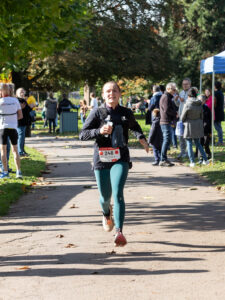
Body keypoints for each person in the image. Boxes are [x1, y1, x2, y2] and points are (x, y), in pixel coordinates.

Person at [80, 81, 149, 247]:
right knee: (105, 197)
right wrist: (99, 131)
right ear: (103, 95)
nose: (112, 94)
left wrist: (142, 139)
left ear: (120, 94)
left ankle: (119, 231)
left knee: (118, 192)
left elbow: (135, 126)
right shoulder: (98, 112)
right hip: (102, 159)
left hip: (120, 157)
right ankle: (106, 213)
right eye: (108, 91)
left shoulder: (125, 112)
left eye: (115, 91)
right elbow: (82, 134)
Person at [181, 88, 209, 167]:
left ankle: (192, 162)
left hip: (189, 124)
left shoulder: (187, 104)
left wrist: (184, 121)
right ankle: (206, 160)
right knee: (198, 143)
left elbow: (182, 117)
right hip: (198, 124)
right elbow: (202, 116)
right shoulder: (199, 103)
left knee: (189, 143)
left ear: (188, 95)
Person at [0, 83, 23, 178]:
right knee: (15, 150)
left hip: (2, 128)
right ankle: (18, 172)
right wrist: (13, 119)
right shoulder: (15, 100)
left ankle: (5, 172)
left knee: (3, 151)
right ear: (9, 90)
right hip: (13, 128)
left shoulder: (0, 101)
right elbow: (20, 116)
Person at [159, 82, 177, 166]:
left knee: (167, 140)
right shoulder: (166, 97)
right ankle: (163, 159)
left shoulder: (168, 97)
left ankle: (163, 158)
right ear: (168, 89)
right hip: (165, 121)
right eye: (173, 89)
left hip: (166, 121)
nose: (175, 91)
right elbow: (167, 110)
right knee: (166, 140)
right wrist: (175, 113)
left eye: (175, 89)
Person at [174, 78, 191, 158]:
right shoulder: (181, 92)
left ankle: (188, 152)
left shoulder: (192, 92)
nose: (184, 86)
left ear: (189, 84)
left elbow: (192, 104)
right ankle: (182, 152)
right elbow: (178, 105)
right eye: (183, 84)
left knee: (187, 136)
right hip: (181, 118)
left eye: (186, 84)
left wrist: (184, 101)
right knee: (180, 136)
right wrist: (176, 100)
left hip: (188, 118)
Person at [16, 88, 32, 156]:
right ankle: (20, 152)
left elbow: (28, 109)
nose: (22, 93)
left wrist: (30, 107)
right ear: (17, 93)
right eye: (20, 92)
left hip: (24, 121)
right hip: (20, 121)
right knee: (20, 136)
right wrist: (21, 108)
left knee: (22, 137)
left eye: (23, 91)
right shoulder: (17, 100)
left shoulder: (23, 100)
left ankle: (22, 150)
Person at [196, 94, 211, 161]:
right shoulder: (196, 108)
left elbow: (209, 119)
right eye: (199, 100)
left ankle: (208, 154)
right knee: (200, 143)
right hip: (198, 128)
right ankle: (200, 157)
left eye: (202, 100)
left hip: (206, 129)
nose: (201, 101)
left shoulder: (207, 108)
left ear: (205, 101)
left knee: (206, 143)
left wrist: (210, 130)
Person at [214, 81, 224, 145]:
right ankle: (220, 140)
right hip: (220, 111)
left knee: (217, 127)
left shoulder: (216, 93)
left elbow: (214, 102)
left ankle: (220, 141)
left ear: (215, 86)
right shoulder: (221, 93)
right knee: (219, 127)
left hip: (217, 112)